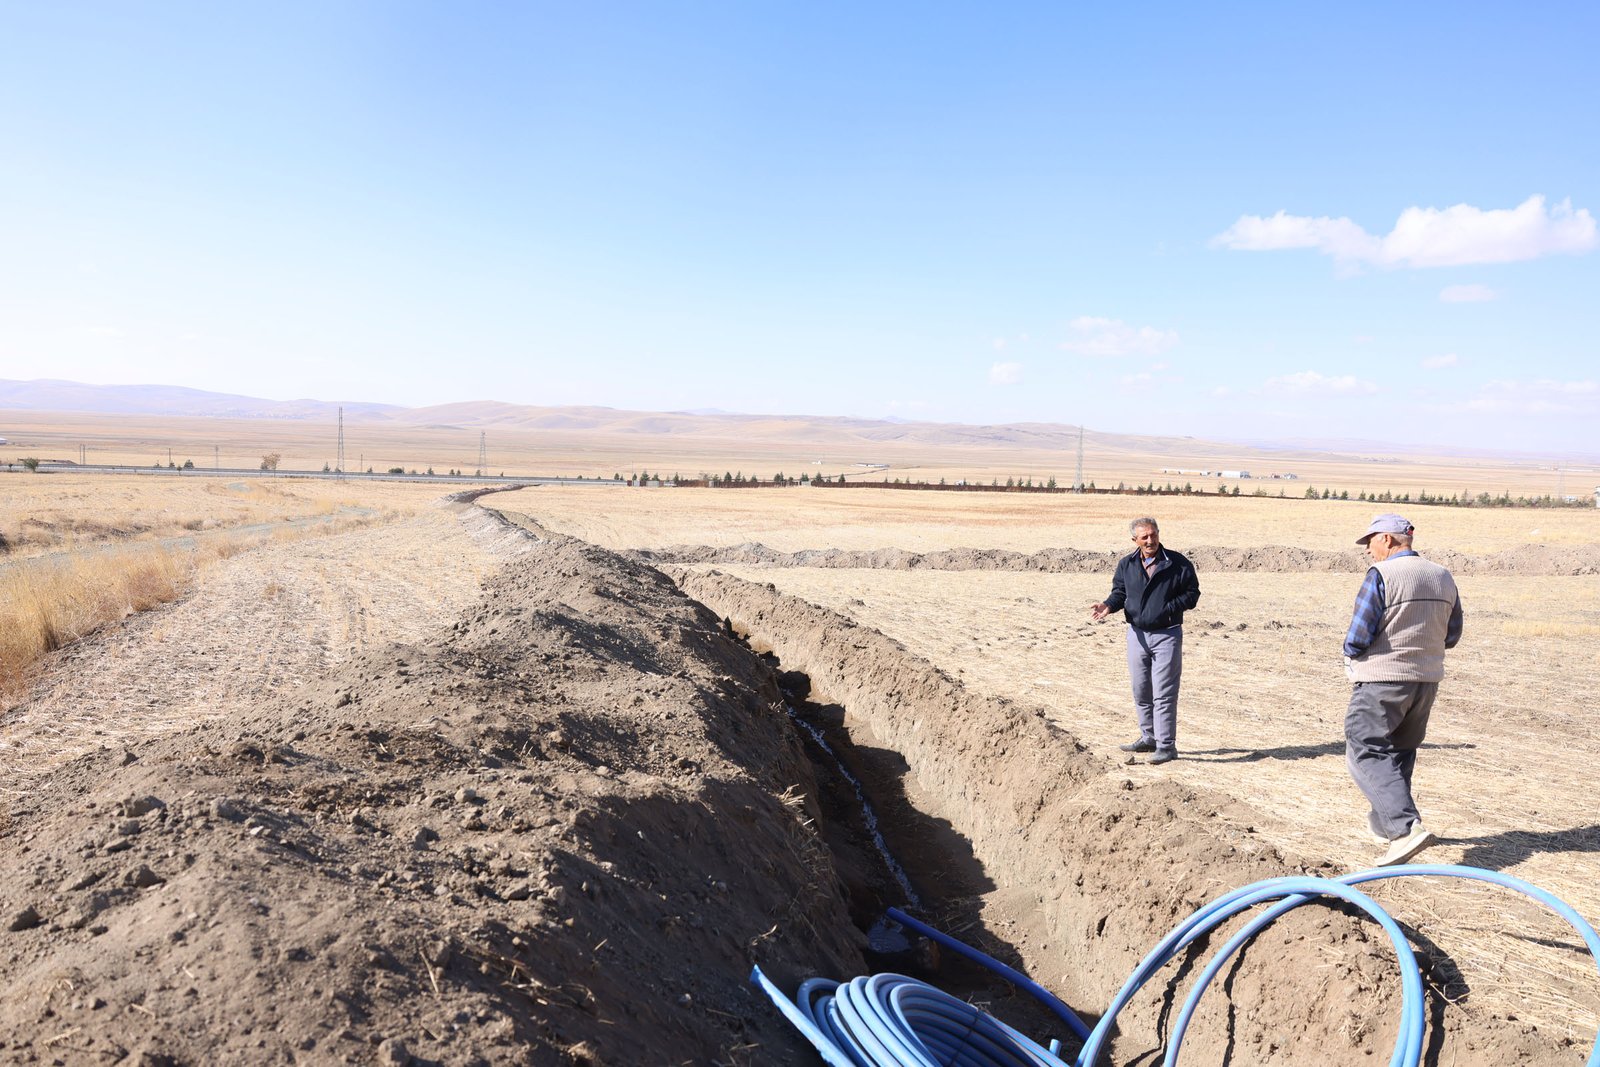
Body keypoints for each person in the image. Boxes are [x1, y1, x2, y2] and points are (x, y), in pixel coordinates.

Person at [1342, 513, 1463, 867]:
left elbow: (1359, 635)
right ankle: (1385, 824)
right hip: (1426, 681)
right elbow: (1452, 634)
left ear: (1389, 540)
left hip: (1383, 679)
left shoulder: (1382, 575)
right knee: (1400, 750)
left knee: (1364, 747)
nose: (1368, 551)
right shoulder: (1442, 575)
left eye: (1371, 542)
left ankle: (1404, 830)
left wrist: (1350, 652)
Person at [1090, 518, 1201, 765]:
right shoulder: (1127, 564)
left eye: (1153, 535)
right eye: (1144, 537)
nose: (1150, 541)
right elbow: (1120, 592)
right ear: (1135, 540)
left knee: (1163, 693)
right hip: (1137, 635)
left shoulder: (1177, 563)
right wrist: (1108, 605)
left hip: (1167, 635)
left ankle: (1166, 746)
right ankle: (1148, 737)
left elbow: (1192, 594)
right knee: (1141, 689)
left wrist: (1168, 608)